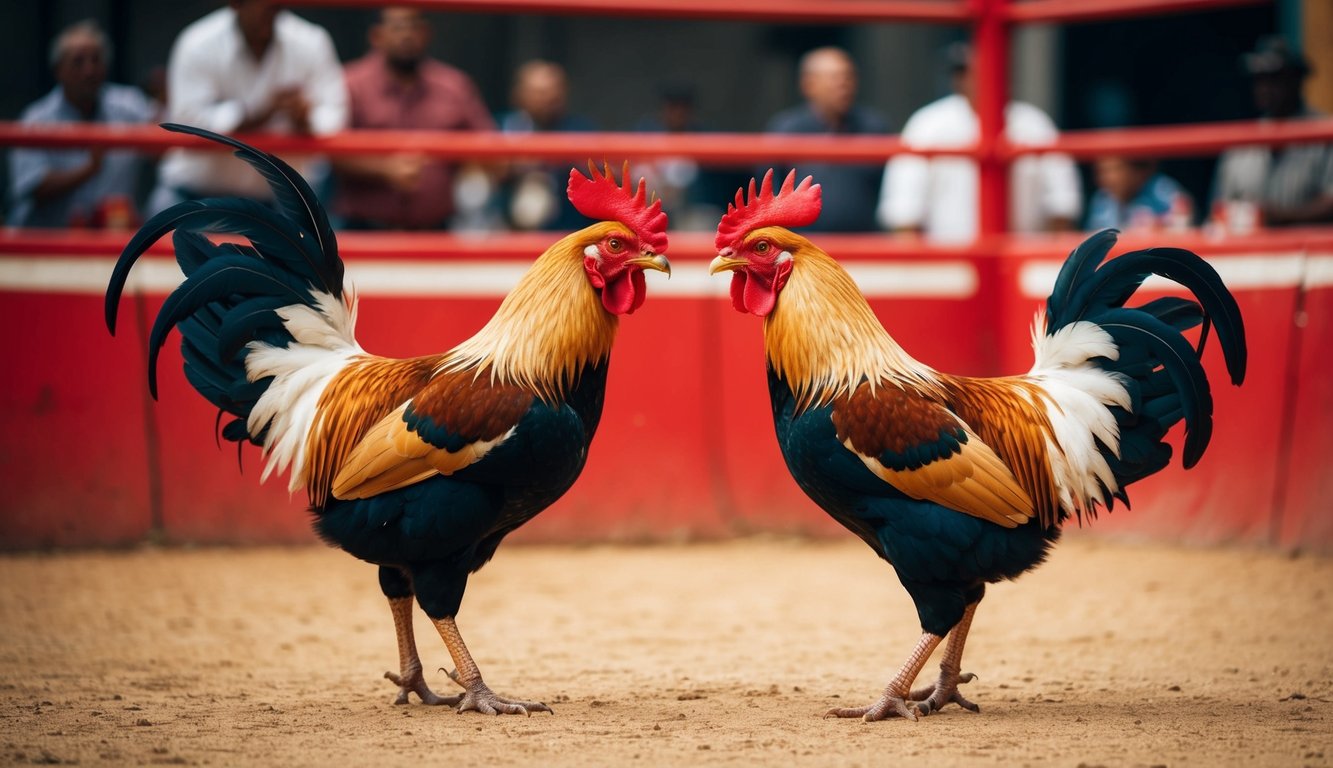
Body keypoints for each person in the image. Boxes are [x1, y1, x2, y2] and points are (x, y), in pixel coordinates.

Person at [147, 0, 347, 213]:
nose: (271, 9)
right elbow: (187, 121)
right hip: (194, 192)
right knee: (157, 230)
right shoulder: (198, 42)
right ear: (235, 3)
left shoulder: (311, 41)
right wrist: (259, 114)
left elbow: (334, 118)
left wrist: (305, 120)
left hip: (280, 202)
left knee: (320, 230)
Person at [878, 42, 1081, 243]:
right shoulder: (927, 125)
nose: (967, 78)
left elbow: (1061, 207)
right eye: (961, 71)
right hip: (947, 263)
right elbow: (904, 215)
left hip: (1019, 262)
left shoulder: (1036, 125)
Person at [333, 7, 495, 230]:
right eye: (398, 27)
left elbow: (490, 147)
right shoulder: (351, 84)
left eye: (414, 27)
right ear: (377, 36)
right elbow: (330, 150)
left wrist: (472, 164)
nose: (407, 35)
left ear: (426, 33)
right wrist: (384, 168)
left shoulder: (454, 86)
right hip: (366, 229)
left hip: (436, 230)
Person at [8, 20, 154, 228]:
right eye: (78, 62)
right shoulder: (36, 119)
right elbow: (33, 187)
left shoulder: (129, 104)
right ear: (59, 70)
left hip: (112, 239)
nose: (89, 70)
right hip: (47, 241)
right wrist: (88, 169)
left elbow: (163, 137)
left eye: (96, 60)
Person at [1211, 36, 1333, 229]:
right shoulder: (1241, 142)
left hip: (1312, 251)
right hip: (1253, 253)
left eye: (1275, 78)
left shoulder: (1325, 132)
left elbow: (1330, 201)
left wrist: (1282, 217)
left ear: (1296, 80)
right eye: (1260, 79)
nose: (1265, 88)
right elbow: (1220, 209)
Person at [764, 47, 890, 232]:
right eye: (834, 78)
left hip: (864, 245)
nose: (843, 84)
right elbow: (769, 193)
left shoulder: (874, 128)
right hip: (803, 249)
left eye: (848, 77)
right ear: (809, 84)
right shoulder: (786, 130)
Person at [497, 60, 596, 231]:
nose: (547, 98)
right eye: (538, 92)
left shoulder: (579, 129)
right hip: (507, 227)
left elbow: (598, 175)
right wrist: (516, 162)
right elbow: (485, 170)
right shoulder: (504, 126)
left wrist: (561, 158)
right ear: (519, 94)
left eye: (553, 91)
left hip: (566, 229)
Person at [1086, 157, 1193, 232]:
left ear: (1136, 170)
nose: (1109, 178)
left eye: (1116, 169)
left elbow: (1183, 229)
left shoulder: (1162, 191)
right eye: (1102, 171)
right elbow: (1093, 241)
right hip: (1119, 260)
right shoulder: (1102, 198)